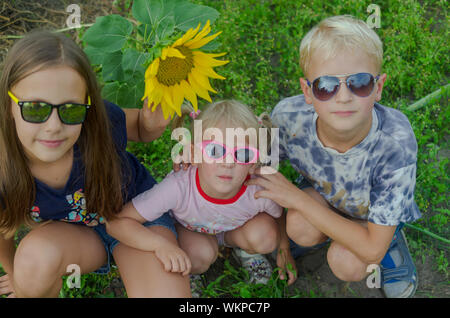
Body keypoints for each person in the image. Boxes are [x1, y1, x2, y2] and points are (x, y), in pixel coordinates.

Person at [0, 30, 190, 297]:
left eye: (72, 109)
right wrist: (15, 275)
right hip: (74, 237)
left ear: (88, 104)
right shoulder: (4, 165)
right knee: (33, 264)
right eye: (35, 109)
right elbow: (3, 230)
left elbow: (139, 127)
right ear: (8, 105)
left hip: (136, 218)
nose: (53, 126)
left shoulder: (101, 121)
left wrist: (151, 124)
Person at [246, 15, 421, 298]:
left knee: (348, 263)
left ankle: (388, 235)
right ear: (307, 91)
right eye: (326, 86)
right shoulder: (288, 118)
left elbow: (370, 249)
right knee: (298, 227)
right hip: (324, 196)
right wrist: (282, 244)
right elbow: (260, 171)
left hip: (371, 213)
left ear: (378, 88)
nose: (343, 97)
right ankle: (336, 230)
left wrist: (296, 198)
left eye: (359, 83)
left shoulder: (395, 143)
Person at [106, 99, 285, 297]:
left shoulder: (257, 190)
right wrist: (160, 244)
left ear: (254, 163)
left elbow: (280, 214)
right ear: (194, 153)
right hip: (192, 231)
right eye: (215, 151)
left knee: (266, 235)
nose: (227, 163)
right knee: (196, 256)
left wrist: (285, 251)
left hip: (233, 229)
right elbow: (118, 222)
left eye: (242, 154)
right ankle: (190, 271)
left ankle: (245, 250)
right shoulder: (178, 187)